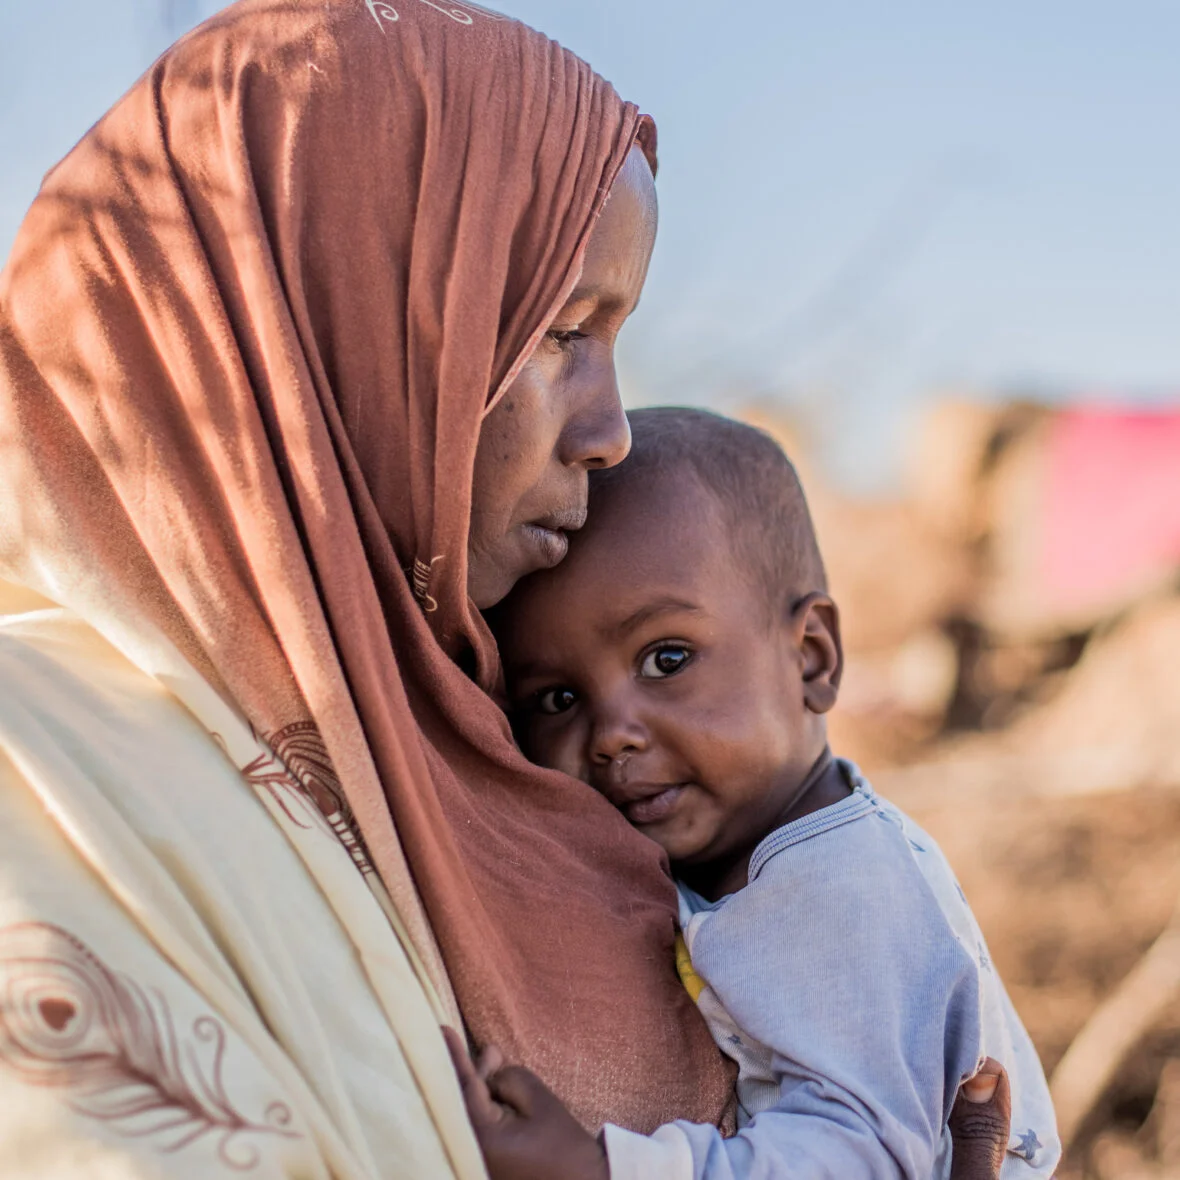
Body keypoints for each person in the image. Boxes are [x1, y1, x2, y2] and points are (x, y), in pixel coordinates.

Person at [0, 3, 734, 1174]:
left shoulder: (533, 760)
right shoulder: (36, 771)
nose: (609, 432)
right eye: (559, 331)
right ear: (336, 323)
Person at [461, 407, 1061, 1179]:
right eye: (556, 699)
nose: (611, 732)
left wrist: (602, 1169)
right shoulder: (752, 862)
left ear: (810, 657)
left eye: (667, 658)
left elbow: (867, 1157)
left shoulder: (840, 889)